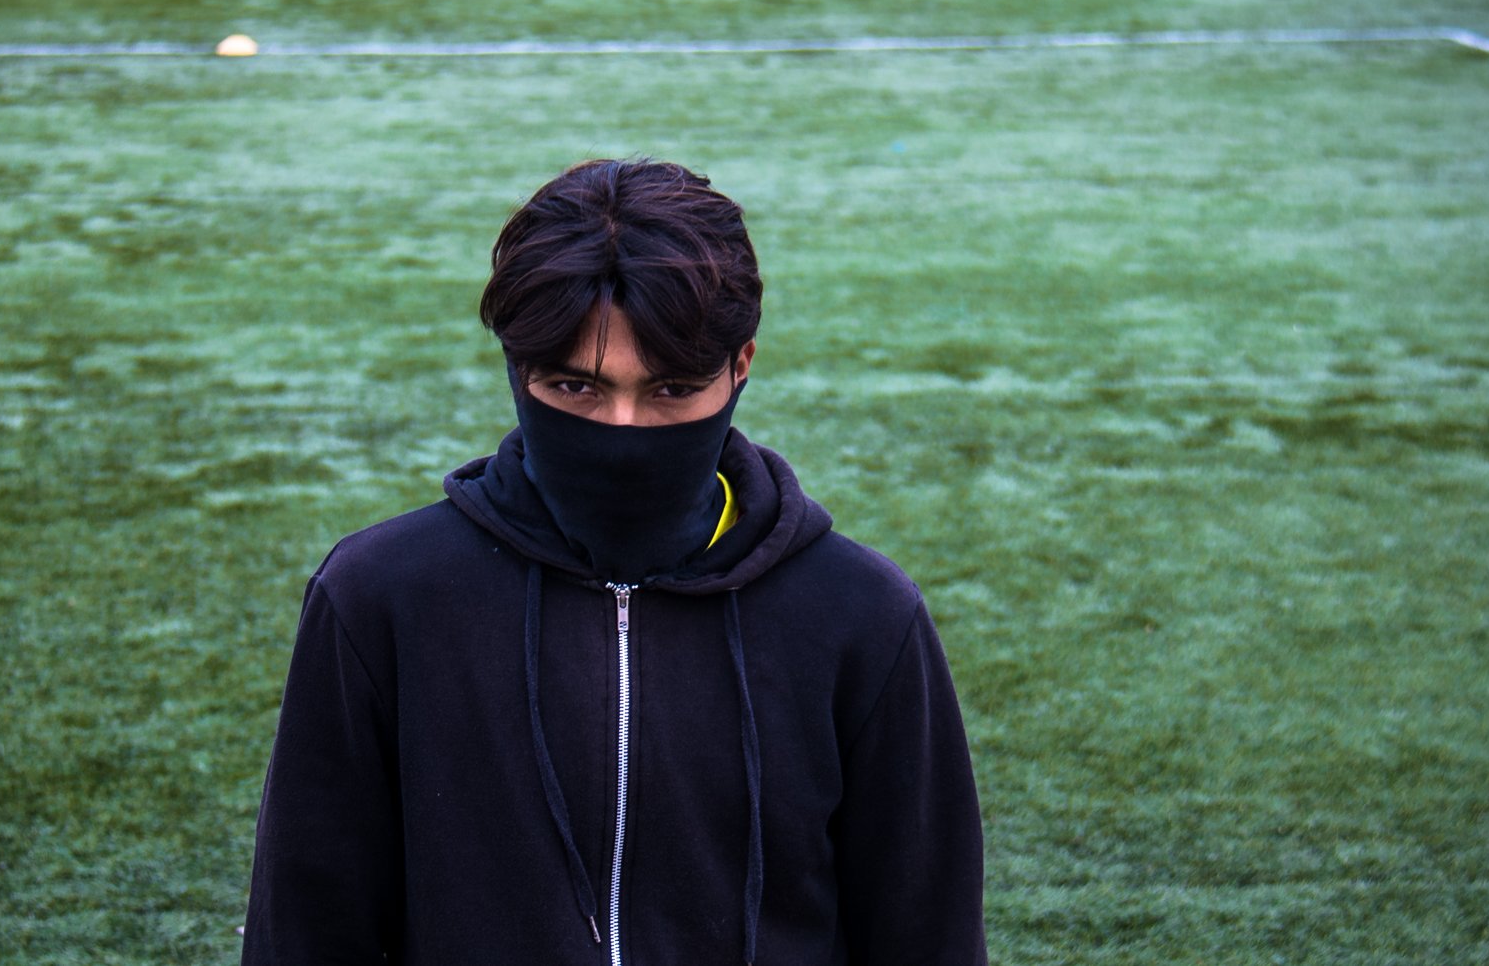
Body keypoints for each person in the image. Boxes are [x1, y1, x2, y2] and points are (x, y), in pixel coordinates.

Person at [242, 158, 986, 965]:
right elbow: (307, 928)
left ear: (741, 365)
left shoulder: (860, 614)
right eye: (576, 388)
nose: (622, 430)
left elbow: (926, 933)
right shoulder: (381, 596)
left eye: (672, 390)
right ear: (516, 369)